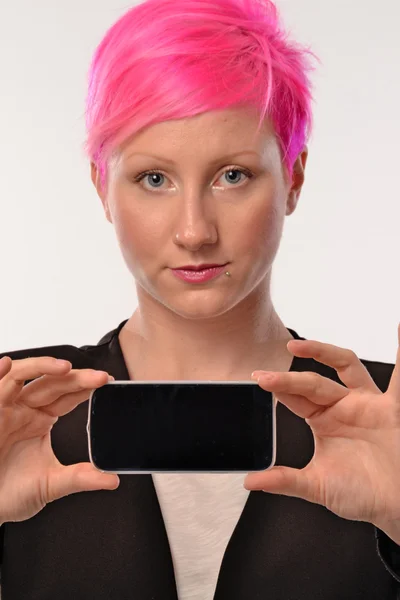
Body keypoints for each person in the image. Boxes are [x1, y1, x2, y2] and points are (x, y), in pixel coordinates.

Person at [0, 0, 399, 598]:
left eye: (232, 175)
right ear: (101, 187)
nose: (194, 231)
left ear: (293, 177)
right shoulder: (15, 414)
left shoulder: (388, 423)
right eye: (153, 179)